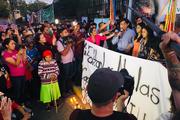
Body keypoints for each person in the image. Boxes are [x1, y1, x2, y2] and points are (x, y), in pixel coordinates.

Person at [70, 68, 137, 120]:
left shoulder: (76, 116)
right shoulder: (129, 118)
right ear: (115, 97)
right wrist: (121, 102)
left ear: (87, 89)